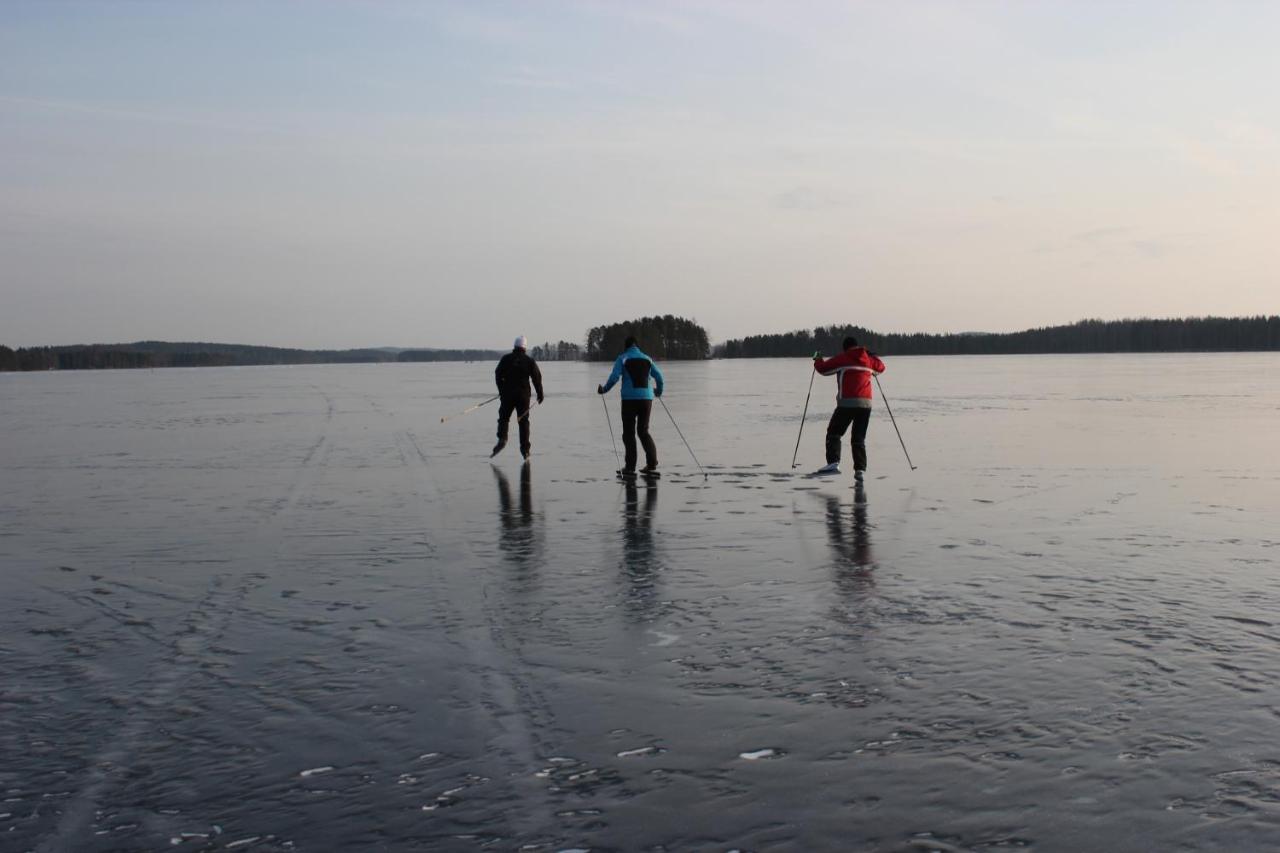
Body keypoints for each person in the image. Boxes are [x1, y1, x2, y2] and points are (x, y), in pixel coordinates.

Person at [813, 336, 886, 480]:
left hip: (847, 403)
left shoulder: (843, 358)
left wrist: (817, 357)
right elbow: (881, 367)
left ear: (845, 348)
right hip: (866, 404)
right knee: (858, 438)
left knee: (834, 432)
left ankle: (833, 463)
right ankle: (860, 471)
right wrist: (871, 354)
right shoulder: (868, 360)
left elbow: (823, 369)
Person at [597, 336, 664, 476]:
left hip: (629, 400)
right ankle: (652, 464)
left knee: (629, 433)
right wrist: (658, 391)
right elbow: (659, 377)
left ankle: (630, 467)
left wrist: (604, 389)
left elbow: (615, 377)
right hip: (647, 399)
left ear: (626, 347)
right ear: (637, 346)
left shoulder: (622, 358)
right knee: (643, 431)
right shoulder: (647, 359)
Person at [492, 335, 544, 460]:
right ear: (525, 348)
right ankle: (525, 450)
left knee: (504, 418)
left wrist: (501, 390)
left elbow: (498, 374)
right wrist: (540, 394)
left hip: (508, 394)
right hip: (523, 396)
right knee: (523, 421)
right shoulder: (529, 361)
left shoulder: (506, 359)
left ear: (514, 346)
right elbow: (536, 378)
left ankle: (502, 438)